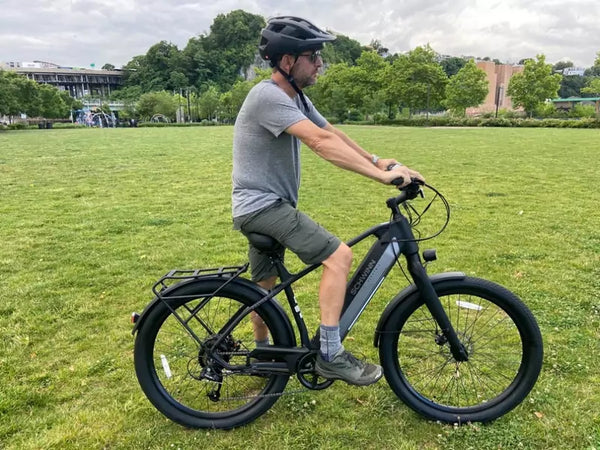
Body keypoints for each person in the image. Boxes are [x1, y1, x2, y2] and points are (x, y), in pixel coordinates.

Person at [232, 16, 424, 386]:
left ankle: (262, 354)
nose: (320, 63)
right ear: (288, 61)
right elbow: (318, 144)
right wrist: (382, 177)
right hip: (262, 207)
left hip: (264, 206)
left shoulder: (296, 96)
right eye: (313, 56)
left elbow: (329, 132)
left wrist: (377, 160)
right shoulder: (268, 97)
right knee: (339, 257)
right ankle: (331, 355)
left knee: (264, 289)